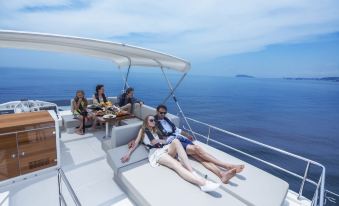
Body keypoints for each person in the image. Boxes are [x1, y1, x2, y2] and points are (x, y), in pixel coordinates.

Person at [121, 115, 221, 192]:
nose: (154, 121)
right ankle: (202, 183)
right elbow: (137, 142)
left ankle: (192, 172)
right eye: (151, 120)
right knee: (177, 165)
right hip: (156, 153)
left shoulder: (156, 130)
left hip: (164, 148)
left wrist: (160, 141)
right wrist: (128, 154)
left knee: (176, 141)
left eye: (154, 120)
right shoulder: (143, 130)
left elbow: (164, 141)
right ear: (146, 122)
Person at [154, 104, 244, 183]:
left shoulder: (167, 120)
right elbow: (153, 135)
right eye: (161, 113)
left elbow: (178, 130)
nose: (162, 115)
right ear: (157, 111)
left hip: (182, 139)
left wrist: (187, 134)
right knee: (198, 149)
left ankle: (221, 175)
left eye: (164, 113)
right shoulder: (154, 123)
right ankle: (227, 165)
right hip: (174, 143)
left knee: (202, 158)